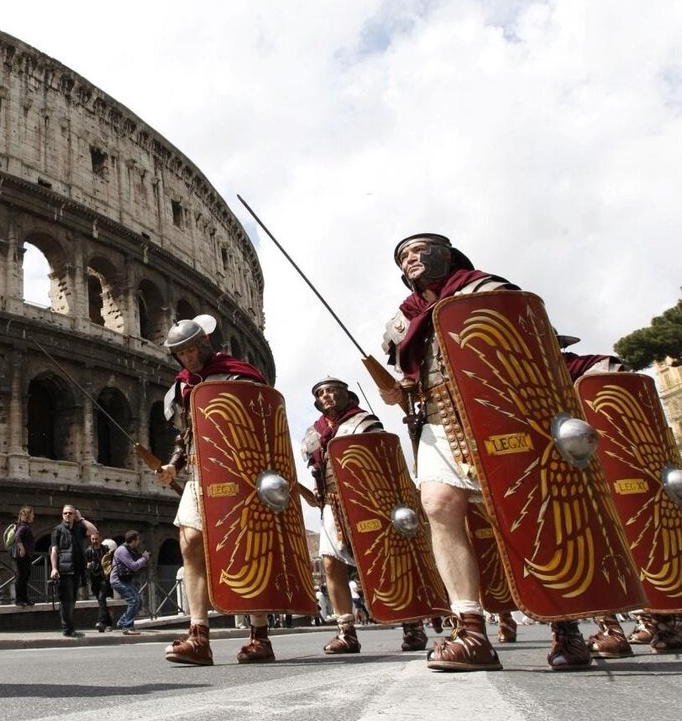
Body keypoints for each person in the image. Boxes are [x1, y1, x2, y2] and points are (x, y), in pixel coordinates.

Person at [379, 232, 590, 672]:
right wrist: (400, 389)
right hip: (439, 420)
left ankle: (564, 625)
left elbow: (532, 349)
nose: (411, 260)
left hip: (497, 416)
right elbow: (409, 384)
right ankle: (471, 628)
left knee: (517, 513)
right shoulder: (406, 321)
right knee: (438, 505)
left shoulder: (486, 291)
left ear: (446, 255)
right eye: (403, 257)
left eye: (419, 250)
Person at [155, 315, 275, 665]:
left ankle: (259, 634)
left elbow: (263, 419)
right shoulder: (181, 387)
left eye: (192, 350)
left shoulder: (238, 374)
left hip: (240, 471)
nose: (188, 359)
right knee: (190, 542)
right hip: (198, 470)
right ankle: (199, 636)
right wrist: (173, 465)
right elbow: (186, 434)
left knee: (244, 547)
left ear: (205, 344)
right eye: (181, 354)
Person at [558, 336, 682, 657]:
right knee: (595, 541)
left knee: (636, 538)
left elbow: (614, 375)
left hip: (613, 470)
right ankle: (612, 628)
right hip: (577, 473)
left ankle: (661, 622)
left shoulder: (581, 367)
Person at [299, 376, 427, 653]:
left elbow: (383, 460)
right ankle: (346, 631)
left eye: (332, 391)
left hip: (367, 501)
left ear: (348, 395)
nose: (327, 397)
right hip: (332, 505)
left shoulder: (364, 423)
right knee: (331, 564)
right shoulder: (315, 433)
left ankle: (411, 624)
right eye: (321, 394)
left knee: (386, 561)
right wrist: (316, 491)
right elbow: (318, 470)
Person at [50, 504, 98, 637]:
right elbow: (54, 550)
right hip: (64, 570)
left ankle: (69, 627)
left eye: (70, 513)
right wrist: (54, 568)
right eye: (65, 513)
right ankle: (68, 629)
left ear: (74, 515)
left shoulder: (78, 530)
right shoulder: (57, 530)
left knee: (73, 600)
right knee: (66, 600)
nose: (67, 515)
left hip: (77, 570)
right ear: (62, 515)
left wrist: (81, 518)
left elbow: (94, 531)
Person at [111, 530, 150, 634]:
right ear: (133, 540)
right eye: (138, 540)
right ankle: (127, 626)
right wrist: (144, 559)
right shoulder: (122, 550)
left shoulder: (130, 549)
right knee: (133, 601)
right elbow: (133, 566)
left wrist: (142, 557)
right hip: (118, 580)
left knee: (138, 601)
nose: (138, 542)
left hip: (125, 580)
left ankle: (123, 620)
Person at [84, 534, 114, 632]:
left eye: (96, 539)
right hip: (94, 579)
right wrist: (88, 565)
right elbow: (85, 564)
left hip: (104, 578)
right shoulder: (88, 551)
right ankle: (109, 623)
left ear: (100, 539)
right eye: (93, 539)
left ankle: (101, 622)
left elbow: (110, 562)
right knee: (101, 601)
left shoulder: (106, 549)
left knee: (101, 599)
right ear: (90, 539)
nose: (95, 541)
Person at [12, 506, 36, 607]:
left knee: (25, 577)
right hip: (22, 556)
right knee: (21, 577)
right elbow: (17, 536)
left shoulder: (25, 526)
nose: (33, 516)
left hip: (26, 556)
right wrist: (22, 549)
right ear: (27, 515)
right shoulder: (23, 526)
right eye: (32, 514)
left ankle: (25, 598)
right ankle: (19, 599)